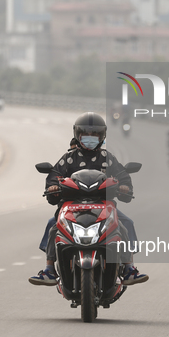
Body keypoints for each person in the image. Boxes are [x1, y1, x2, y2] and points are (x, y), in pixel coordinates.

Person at [29, 112, 148, 286]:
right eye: (86, 135)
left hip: (104, 206)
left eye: (95, 135)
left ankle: (129, 268)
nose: (90, 138)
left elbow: (123, 176)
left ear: (102, 136)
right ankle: (49, 269)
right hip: (70, 207)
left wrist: (125, 187)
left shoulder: (108, 158)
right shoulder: (68, 158)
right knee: (52, 225)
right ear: (77, 135)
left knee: (126, 223)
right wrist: (53, 187)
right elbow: (54, 176)